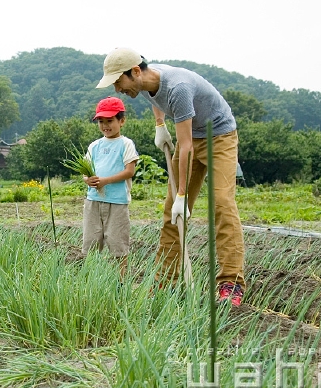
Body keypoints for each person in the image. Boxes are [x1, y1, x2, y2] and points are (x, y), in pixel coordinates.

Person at [96, 47, 246, 306]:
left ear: (134, 72)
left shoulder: (179, 88)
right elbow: (157, 101)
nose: (118, 89)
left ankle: (231, 283)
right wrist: (160, 125)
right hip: (192, 135)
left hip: (218, 136)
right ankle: (165, 282)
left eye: (119, 82)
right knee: (171, 214)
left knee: (222, 202)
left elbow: (185, 145)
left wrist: (182, 195)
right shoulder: (144, 82)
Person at [82, 96, 139, 278]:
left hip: (117, 202)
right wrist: (87, 180)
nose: (105, 125)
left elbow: (129, 171)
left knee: (118, 244)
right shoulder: (95, 146)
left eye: (110, 121)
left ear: (121, 121)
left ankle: (120, 283)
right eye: (101, 121)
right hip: (94, 201)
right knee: (91, 243)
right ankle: (91, 280)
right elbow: (86, 171)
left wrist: (105, 180)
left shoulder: (126, 144)